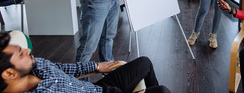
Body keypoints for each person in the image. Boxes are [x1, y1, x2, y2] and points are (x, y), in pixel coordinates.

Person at [0, 31, 170, 93]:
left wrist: (97, 67)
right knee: (161, 91)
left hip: (99, 88)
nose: (28, 51)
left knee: (144, 62)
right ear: (9, 73)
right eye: (21, 54)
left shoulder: (35, 65)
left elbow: (62, 68)